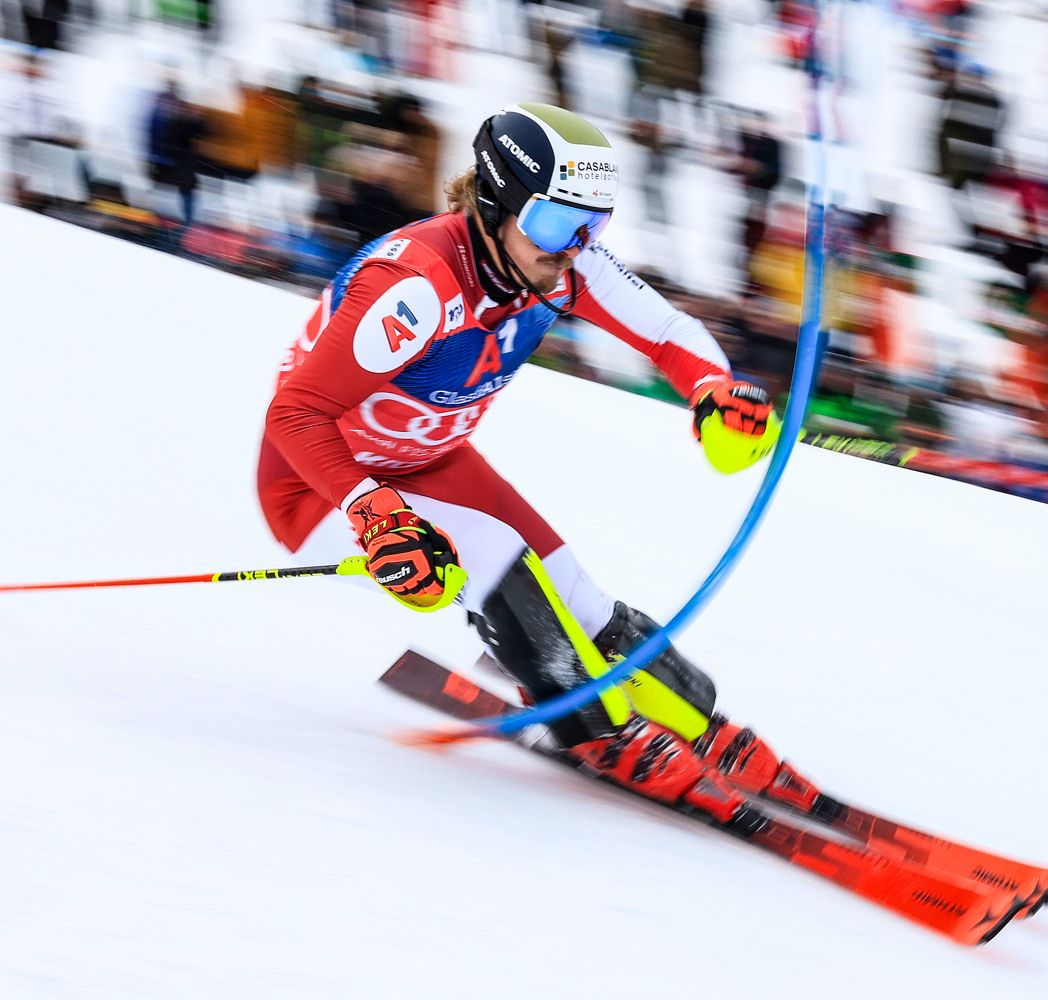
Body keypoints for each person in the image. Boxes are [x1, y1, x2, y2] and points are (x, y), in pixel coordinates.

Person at [257, 102, 807, 827]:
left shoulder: (555, 266)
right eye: (555, 223)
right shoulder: (418, 286)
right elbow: (295, 414)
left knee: (572, 587)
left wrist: (712, 389)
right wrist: (374, 512)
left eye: (592, 227)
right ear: (496, 203)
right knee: (494, 554)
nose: (574, 247)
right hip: (320, 486)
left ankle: (696, 721)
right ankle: (595, 732)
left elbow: (667, 330)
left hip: (430, 462)